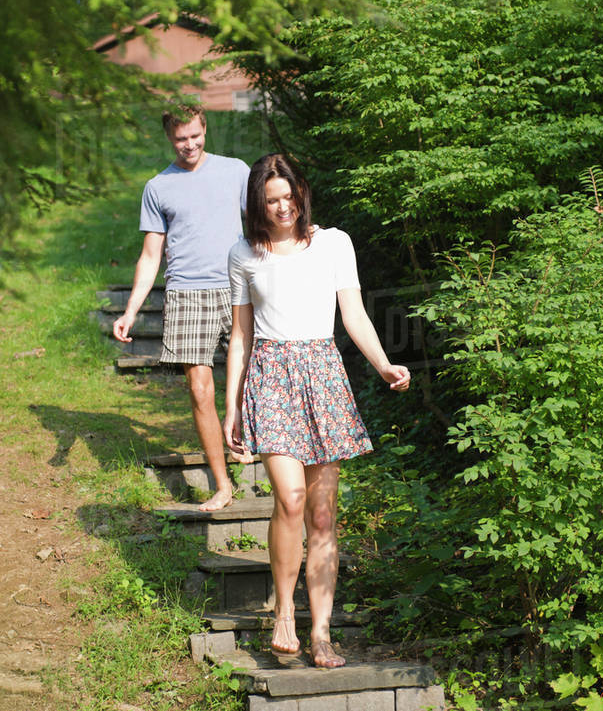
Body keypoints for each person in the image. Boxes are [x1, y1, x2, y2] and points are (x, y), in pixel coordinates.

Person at [222, 153, 410, 669]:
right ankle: (285, 613)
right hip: (271, 376)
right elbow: (240, 334)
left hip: (323, 376)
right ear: (257, 205)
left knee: (323, 514)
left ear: (301, 193)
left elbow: (354, 314)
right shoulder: (244, 253)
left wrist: (384, 364)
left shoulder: (334, 243)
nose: (283, 208)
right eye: (271, 201)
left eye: (289, 197)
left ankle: (322, 632)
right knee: (291, 496)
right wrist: (231, 406)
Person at [113, 106, 252, 511]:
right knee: (198, 389)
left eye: (195, 136)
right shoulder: (158, 187)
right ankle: (222, 485)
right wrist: (131, 310)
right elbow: (150, 254)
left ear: (205, 130)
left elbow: (265, 220)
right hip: (188, 294)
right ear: (169, 139)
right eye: (180, 139)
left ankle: (243, 435)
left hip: (238, 286)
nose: (189, 145)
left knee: (252, 375)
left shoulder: (235, 171)